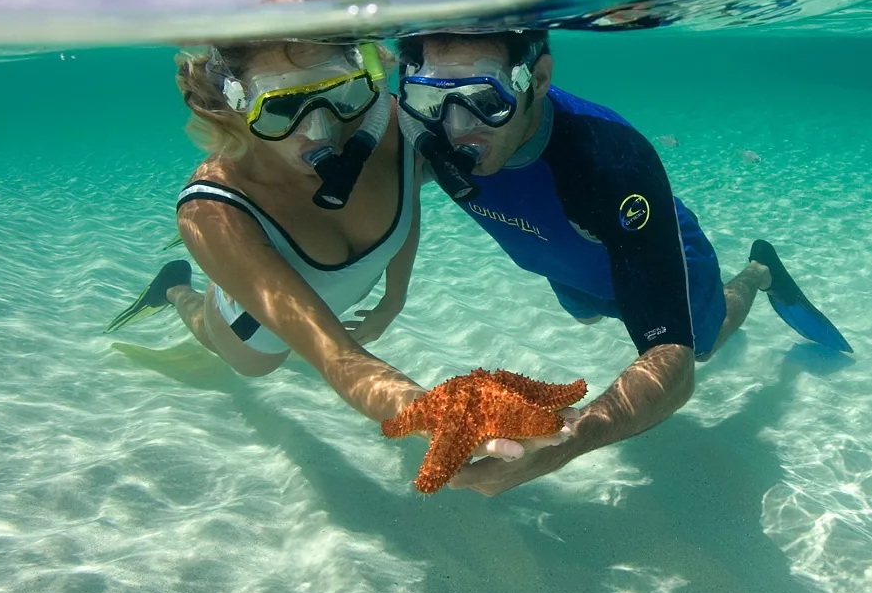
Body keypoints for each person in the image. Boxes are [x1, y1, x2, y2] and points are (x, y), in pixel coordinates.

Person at [396, 28, 851, 495]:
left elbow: (671, 365)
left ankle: (759, 272)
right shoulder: (421, 128)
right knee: (589, 316)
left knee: (700, 346)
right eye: (433, 99)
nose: (455, 127)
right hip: (564, 263)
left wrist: (563, 446)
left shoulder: (610, 163)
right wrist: (392, 296)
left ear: (538, 78)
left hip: (650, 252)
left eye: (484, 100)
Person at [104, 30, 568, 463]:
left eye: (341, 93)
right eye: (283, 108)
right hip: (250, 333)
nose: (321, 130)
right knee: (233, 351)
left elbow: (404, 201)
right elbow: (337, 355)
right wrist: (441, 416)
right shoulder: (212, 212)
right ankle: (176, 289)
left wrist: (394, 296)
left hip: (333, 292)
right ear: (236, 103)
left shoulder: (387, 124)